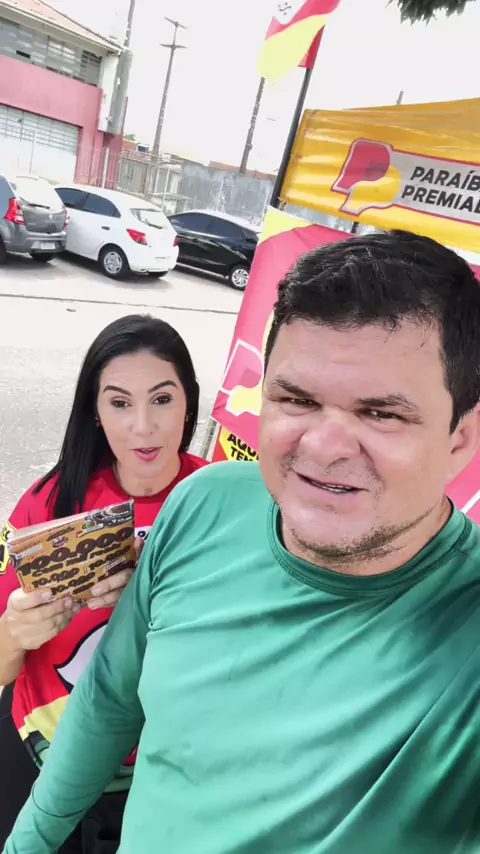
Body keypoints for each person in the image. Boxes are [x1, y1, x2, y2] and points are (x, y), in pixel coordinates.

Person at [5, 230, 480, 854]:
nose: (323, 446)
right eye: (296, 399)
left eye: (381, 413)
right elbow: (110, 700)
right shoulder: (203, 503)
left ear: (461, 438)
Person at [0, 313, 208, 853]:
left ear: (188, 403)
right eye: (119, 403)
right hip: (42, 756)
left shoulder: (220, 500)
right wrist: (15, 633)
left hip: (166, 777)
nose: (143, 426)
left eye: (162, 399)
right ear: (94, 412)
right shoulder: (47, 506)